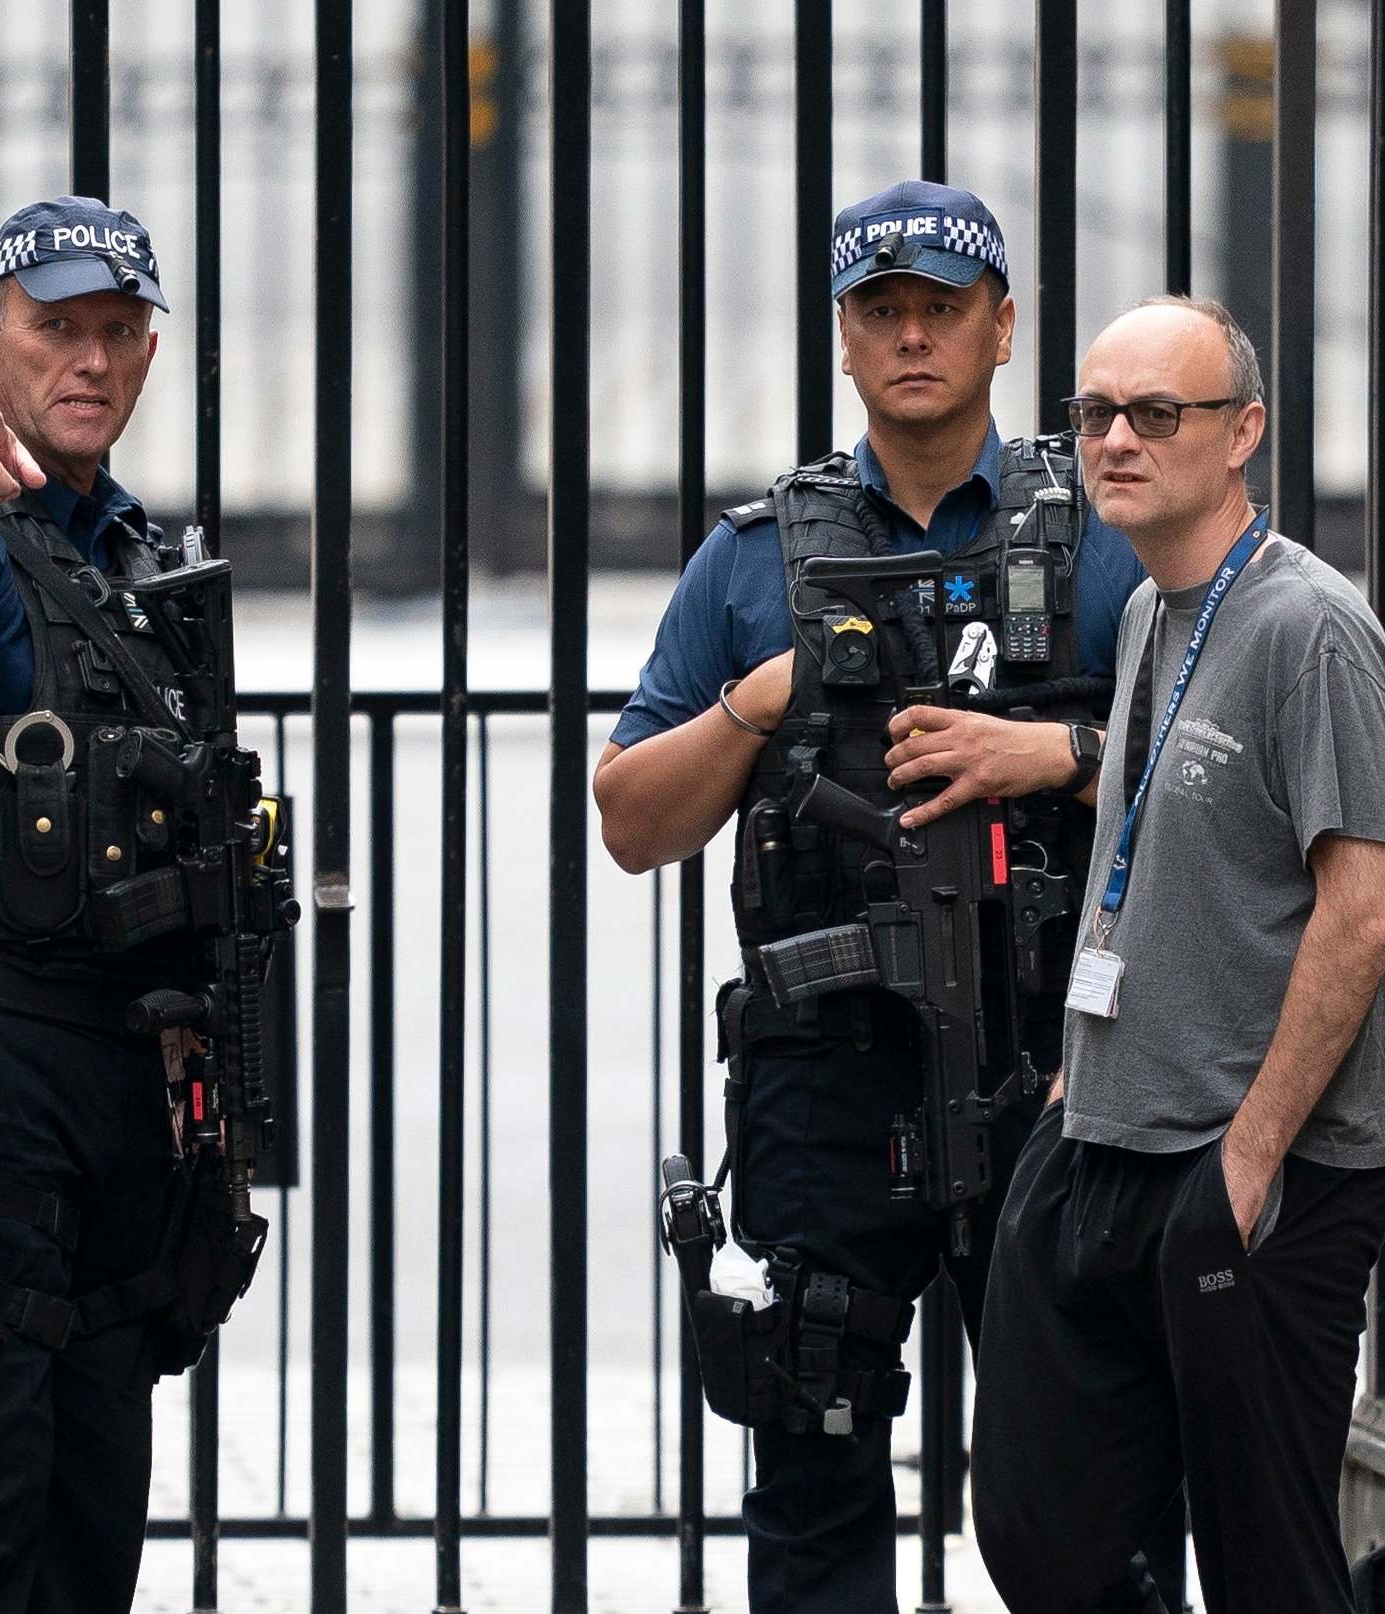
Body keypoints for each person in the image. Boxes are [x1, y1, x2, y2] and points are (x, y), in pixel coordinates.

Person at [598, 180, 1146, 1610]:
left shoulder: (1096, 540)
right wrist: (754, 704)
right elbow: (628, 822)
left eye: (942, 308)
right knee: (812, 1462)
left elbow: (1223, 771)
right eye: (880, 309)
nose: (912, 335)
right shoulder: (748, 560)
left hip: (1047, 1075)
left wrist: (1057, 752)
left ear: (1002, 326)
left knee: (1083, 1475)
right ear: (842, 338)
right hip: (821, 1084)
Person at [0, 196, 288, 1610]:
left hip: (127, 1078)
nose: (86, 360)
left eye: (112, 333)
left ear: (147, 349)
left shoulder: (138, 559)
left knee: (92, 1493)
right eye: (53, 330)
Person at [969, 296, 1385, 1613]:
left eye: (1155, 413)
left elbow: (1365, 908)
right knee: (1050, 1536)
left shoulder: (1307, 629)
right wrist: (1070, 1090)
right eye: (1091, 412)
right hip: (1104, 1138)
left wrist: (1251, 1153)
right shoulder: (1159, 615)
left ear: (1242, 435)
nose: (1112, 438)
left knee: (1264, 1562)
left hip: (1256, 1173)